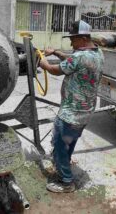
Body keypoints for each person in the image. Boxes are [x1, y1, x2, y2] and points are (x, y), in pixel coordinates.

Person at [38, 20, 104, 193]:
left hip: (70, 114)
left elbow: (54, 70)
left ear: (82, 38)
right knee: (70, 141)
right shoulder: (97, 53)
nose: (70, 42)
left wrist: (42, 61)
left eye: (73, 39)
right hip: (85, 111)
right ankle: (64, 163)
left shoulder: (79, 57)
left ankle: (66, 182)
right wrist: (57, 53)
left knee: (59, 145)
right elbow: (73, 62)